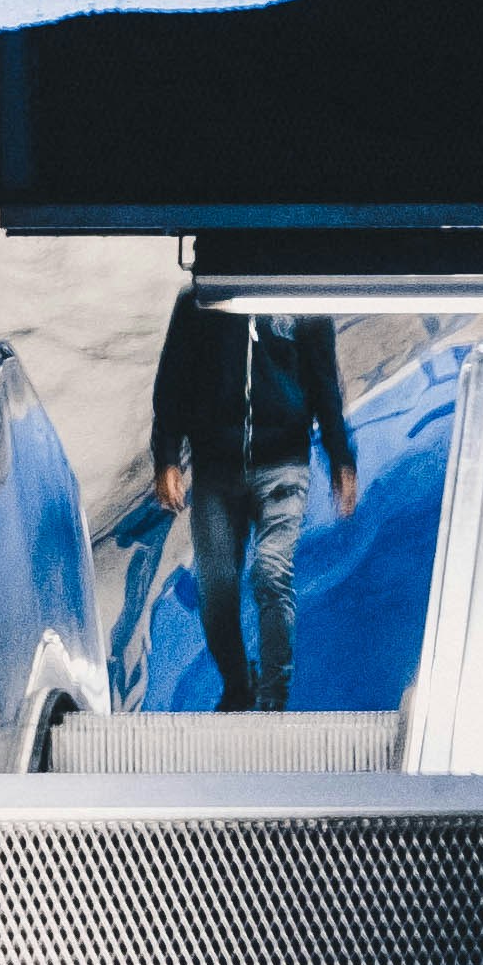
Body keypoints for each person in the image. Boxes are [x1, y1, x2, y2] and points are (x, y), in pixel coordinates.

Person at [148, 290, 355, 711]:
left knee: (271, 572)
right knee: (216, 588)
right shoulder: (200, 301)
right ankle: (238, 684)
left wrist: (340, 457)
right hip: (215, 469)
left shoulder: (303, 301)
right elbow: (174, 378)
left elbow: (324, 380)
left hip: (284, 463)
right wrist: (167, 456)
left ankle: (273, 698)